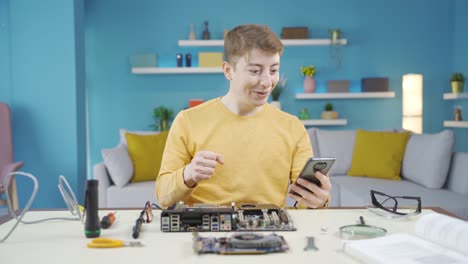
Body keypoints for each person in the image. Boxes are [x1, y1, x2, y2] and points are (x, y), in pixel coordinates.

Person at [155, 24, 331, 209]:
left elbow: (307, 203)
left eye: (273, 70)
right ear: (228, 70)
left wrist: (320, 201)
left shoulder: (293, 127)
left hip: (271, 232)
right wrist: (188, 174)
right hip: (204, 232)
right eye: (255, 71)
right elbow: (163, 196)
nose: (267, 82)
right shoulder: (188, 121)